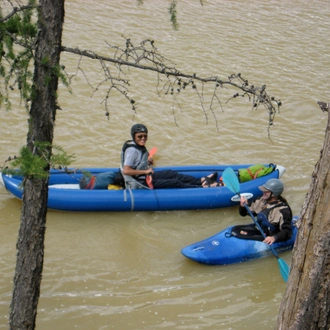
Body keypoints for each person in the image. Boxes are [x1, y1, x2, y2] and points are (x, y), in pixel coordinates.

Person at [120, 123, 219, 189]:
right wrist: (146, 171)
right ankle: (202, 188)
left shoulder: (137, 146)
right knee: (174, 182)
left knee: (171, 173)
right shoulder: (132, 151)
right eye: (140, 136)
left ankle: (201, 180)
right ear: (134, 136)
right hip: (140, 183)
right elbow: (126, 171)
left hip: (144, 177)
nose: (143, 138)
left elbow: (137, 162)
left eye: (145, 136)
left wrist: (147, 162)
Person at [238, 178, 293, 245]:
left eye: (266, 191)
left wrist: (274, 238)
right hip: (261, 229)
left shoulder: (283, 210)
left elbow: (287, 232)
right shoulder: (261, 200)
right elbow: (243, 213)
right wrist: (243, 206)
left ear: (273, 194)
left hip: (272, 235)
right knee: (236, 230)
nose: (263, 192)